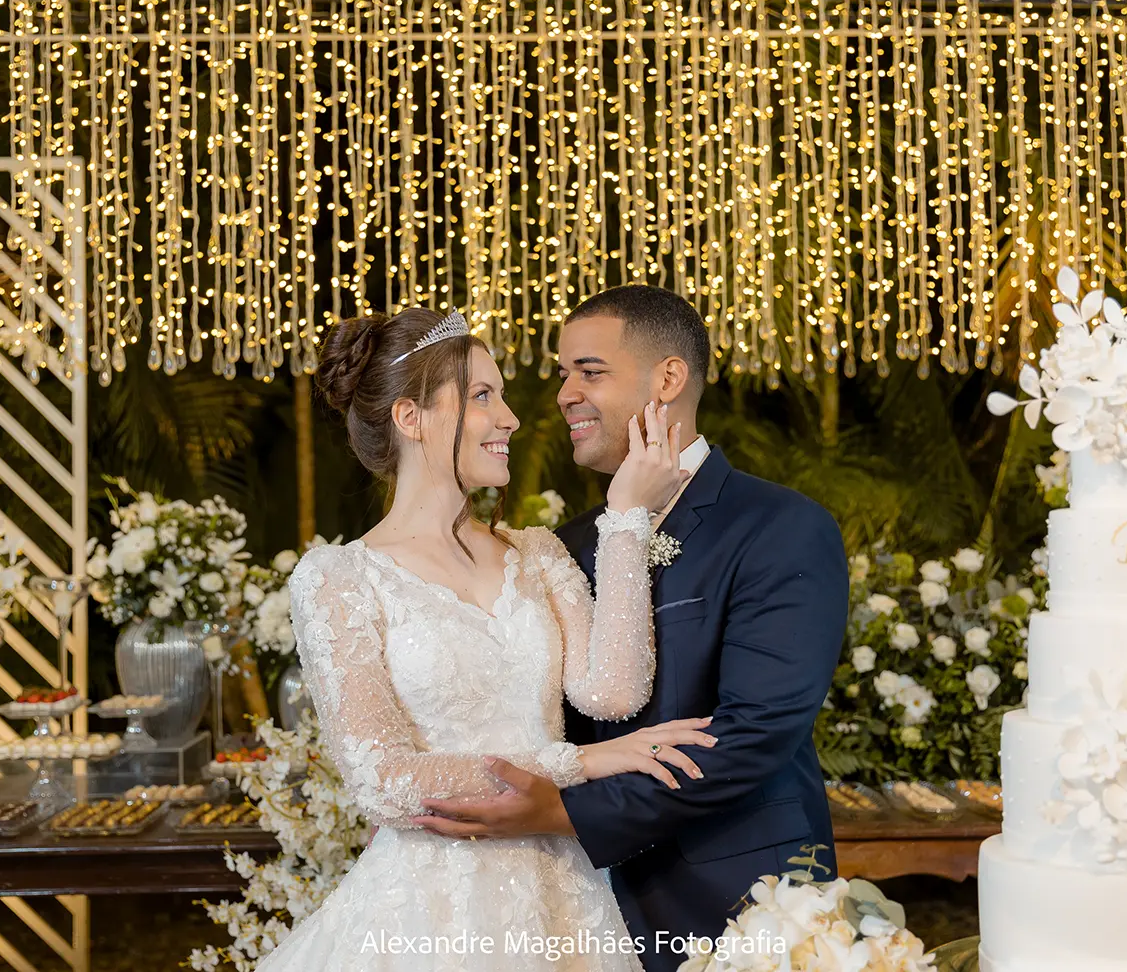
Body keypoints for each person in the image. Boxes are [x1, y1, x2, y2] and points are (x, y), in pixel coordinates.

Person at [257, 306, 712, 972]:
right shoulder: (338, 578)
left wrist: (625, 519)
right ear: (411, 418)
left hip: (562, 899)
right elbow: (383, 782)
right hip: (428, 914)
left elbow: (613, 693)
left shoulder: (537, 553)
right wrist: (582, 763)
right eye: (481, 396)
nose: (511, 419)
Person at [412, 286, 848, 971]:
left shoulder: (781, 528)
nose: (564, 396)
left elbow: (756, 733)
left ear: (667, 379)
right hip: (573, 898)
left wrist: (565, 814)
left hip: (739, 897)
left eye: (589, 372)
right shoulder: (568, 546)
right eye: (563, 375)